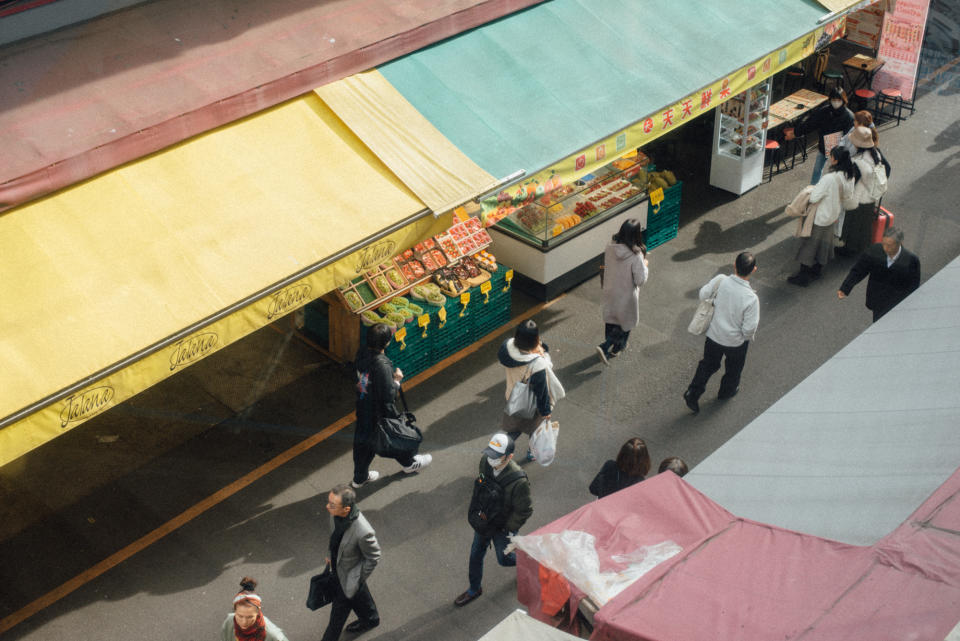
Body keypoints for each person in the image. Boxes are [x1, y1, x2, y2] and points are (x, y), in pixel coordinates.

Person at [454, 433, 533, 607]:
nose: (491, 459)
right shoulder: (485, 462)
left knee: (503, 559)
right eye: (490, 453)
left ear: (509, 456)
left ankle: (529, 561)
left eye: (496, 456)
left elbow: (524, 510)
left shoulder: (519, 481)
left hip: (503, 527)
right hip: (485, 520)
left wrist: (507, 528)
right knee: (476, 554)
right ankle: (474, 589)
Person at [352, 323, 431, 488]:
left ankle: (360, 478)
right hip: (379, 411)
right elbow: (388, 395)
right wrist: (396, 380)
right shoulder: (382, 365)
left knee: (363, 441)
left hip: (363, 405)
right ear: (387, 343)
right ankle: (409, 463)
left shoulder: (362, 353)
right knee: (393, 435)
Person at [683, 252, 759, 414]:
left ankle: (693, 392)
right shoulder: (751, 298)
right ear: (753, 270)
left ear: (734, 265)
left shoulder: (721, 280)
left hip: (714, 335)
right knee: (733, 369)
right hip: (735, 343)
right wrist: (742, 337)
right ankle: (726, 392)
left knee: (708, 364)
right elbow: (749, 329)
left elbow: (703, 294)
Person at [787, 146, 859, 287]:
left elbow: (814, 198)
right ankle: (817, 270)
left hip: (820, 216)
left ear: (836, 160)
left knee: (809, 246)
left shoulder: (829, 179)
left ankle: (803, 277)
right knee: (824, 246)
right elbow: (848, 196)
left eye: (831, 156)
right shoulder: (850, 176)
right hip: (833, 215)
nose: (830, 158)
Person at [320, 484, 382, 641]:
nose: (327, 507)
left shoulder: (363, 531)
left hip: (348, 576)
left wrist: (355, 578)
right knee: (359, 594)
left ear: (346, 510)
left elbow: (374, 556)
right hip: (338, 568)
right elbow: (334, 537)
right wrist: (330, 554)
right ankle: (370, 619)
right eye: (329, 502)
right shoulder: (336, 514)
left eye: (332, 505)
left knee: (336, 618)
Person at [497, 320, 563, 460]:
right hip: (531, 403)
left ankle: (500, 451)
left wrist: (538, 349)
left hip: (513, 396)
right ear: (535, 340)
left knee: (515, 428)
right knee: (536, 427)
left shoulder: (507, 348)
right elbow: (542, 391)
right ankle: (532, 452)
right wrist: (546, 411)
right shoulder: (537, 363)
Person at [838, 227, 920, 322]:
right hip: (878, 301)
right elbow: (859, 270)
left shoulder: (911, 260)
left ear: (899, 243)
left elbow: (914, 285)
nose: (885, 248)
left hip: (897, 303)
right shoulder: (875, 251)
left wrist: (909, 306)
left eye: (889, 245)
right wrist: (845, 287)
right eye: (883, 244)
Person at [597, 218, 649, 364]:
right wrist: (645, 265)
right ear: (636, 235)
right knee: (626, 322)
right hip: (626, 294)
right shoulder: (636, 255)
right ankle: (613, 347)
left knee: (611, 318)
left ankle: (608, 344)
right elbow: (640, 280)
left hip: (610, 289)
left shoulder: (610, 247)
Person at [784, 86, 855, 185]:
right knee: (818, 169)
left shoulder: (849, 117)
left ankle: (832, 190)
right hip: (824, 145)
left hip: (839, 149)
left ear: (843, 100)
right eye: (834, 100)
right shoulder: (824, 111)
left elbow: (850, 135)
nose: (836, 103)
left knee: (837, 172)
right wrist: (796, 132)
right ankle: (813, 189)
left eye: (838, 100)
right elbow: (810, 124)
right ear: (830, 100)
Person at [839, 125, 886, 256]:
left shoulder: (858, 161)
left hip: (858, 198)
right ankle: (861, 249)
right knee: (864, 226)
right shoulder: (876, 154)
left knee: (853, 225)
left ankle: (850, 250)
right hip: (870, 197)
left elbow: (852, 181)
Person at [220, 577, 291, 641]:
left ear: (258, 613)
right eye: (240, 616)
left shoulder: (274, 637)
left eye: (250, 617)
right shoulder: (229, 622)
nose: (244, 622)